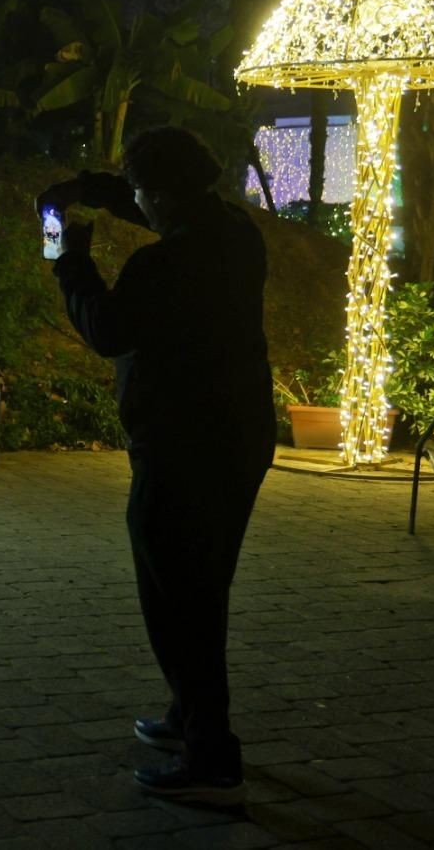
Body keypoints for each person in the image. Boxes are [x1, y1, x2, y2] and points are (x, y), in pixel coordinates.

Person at [36, 127, 274, 808]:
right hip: (241, 438)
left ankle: (211, 750)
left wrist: (69, 260)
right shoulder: (234, 233)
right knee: (201, 585)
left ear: (162, 192)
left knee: (180, 596)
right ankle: (186, 715)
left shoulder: (161, 269)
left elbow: (106, 332)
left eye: (140, 189)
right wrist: (90, 190)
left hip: (181, 448)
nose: (138, 202)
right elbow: (161, 209)